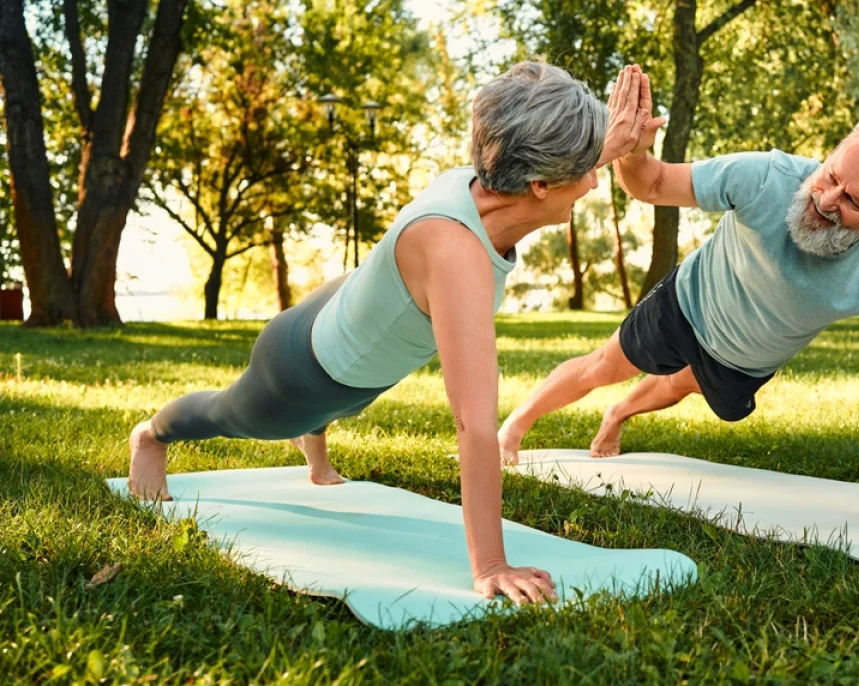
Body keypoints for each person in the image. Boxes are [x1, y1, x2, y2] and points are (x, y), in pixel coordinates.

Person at [127, 62, 660, 605]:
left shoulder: (487, 178)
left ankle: (314, 441)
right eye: (586, 170)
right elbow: (474, 423)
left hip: (348, 320)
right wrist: (492, 565)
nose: (594, 182)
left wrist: (611, 146)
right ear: (540, 183)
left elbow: (539, 170)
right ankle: (151, 436)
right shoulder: (456, 255)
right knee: (230, 413)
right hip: (301, 372)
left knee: (347, 397)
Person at [498, 67, 859, 526]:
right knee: (604, 366)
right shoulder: (766, 176)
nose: (827, 200)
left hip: (745, 361)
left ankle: (619, 411)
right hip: (687, 304)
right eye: (831, 176)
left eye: (853, 201)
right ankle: (516, 425)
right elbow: (653, 184)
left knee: (680, 386)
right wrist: (635, 154)